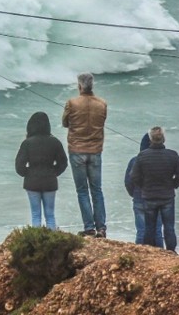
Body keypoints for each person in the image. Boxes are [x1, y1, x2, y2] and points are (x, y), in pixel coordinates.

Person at [62, 72, 108, 237]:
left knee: (82, 191)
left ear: (80, 86)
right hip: (95, 151)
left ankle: (89, 228)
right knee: (97, 190)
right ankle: (101, 228)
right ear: (92, 85)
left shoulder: (72, 103)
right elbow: (102, 122)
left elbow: (65, 123)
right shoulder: (102, 104)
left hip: (77, 150)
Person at [130, 126, 179, 252]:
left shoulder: (142, 156)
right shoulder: (172, 155)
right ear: (163, 139)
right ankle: (171, 251)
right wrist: (173, 185)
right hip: (167, 196)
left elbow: (134, 176)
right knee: (169, 227)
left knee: (150, 227)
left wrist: (144, 187)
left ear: (151, 139)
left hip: (149, 196)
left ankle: (150, 251)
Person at [14, 111, 68, 230]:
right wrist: (54, 172)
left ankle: (37, 243)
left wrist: (27, 173)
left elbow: (19, 165)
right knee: (50, 215)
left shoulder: (27, 143)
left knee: (35, 215)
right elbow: (63, 163)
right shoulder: (55, 142)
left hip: (32, 182)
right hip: (50, 181)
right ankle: (52, 243)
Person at [125, 132, 164, 247]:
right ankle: (160, 258)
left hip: (139, 200)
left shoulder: (134, 160)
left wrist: (134, 194)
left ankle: (138, 258)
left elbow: (128, 182)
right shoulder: (163, 159)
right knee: (157, 232)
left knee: (141, 231)